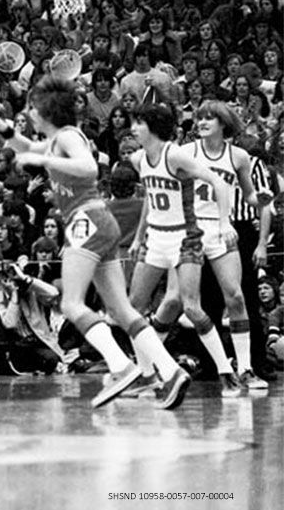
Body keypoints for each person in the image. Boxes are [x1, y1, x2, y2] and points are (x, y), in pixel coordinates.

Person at [0, 78, 189, 410]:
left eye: (32, 107)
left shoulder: (68, 137)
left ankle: (122, 366)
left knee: (72, 304)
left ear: (46, 111)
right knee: (121, 309)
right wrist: (3, 128)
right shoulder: (59, 138)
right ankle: (169, 371)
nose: (28, 113)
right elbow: (27, 147)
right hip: (101, 222)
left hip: (86, 222)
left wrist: (45, 163)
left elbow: (88, 168)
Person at [126, 103, 239, 396]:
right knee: (133, 307)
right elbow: (150, 200)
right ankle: (147, 375)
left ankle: (226, 371)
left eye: (138, 123)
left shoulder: (174, 154)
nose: (133, 129)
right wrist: (140, 237)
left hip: (184, 238)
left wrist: (225, 222)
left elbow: (217, 182)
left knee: (191, 306)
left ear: (152, 127)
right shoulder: (139, 158)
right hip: (155, 238)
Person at [185, 102, 270, 392]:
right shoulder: (187, 152)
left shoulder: (239, 157)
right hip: (192, 230)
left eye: (210, 117)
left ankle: (244, 368)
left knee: (236, 297)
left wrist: (263, 199)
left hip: (224, 228)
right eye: (199, 117)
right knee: (181, 303)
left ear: (224, 123)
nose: (202, 121)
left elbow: (249, 197)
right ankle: (154, 366)